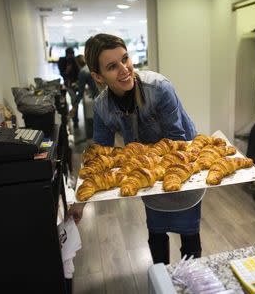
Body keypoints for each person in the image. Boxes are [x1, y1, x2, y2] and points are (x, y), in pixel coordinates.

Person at [68, 33, 204, 264]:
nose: (124, 69)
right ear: (97, 76)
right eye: (112, 66)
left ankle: (190, 280)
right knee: (156, 230)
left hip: (182, 163)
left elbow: (176, 141)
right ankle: (162, 281)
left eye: (125, 58)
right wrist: (81, 202)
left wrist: (150, 167)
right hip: (149, 172)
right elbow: (101, 155)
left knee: (189, 231)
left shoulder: (159, 88)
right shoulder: (102, 107)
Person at [68, 55, 100, 121]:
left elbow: (80, 93)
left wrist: (74, 107)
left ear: (77, 63)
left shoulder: (82, 72)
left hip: (98, 97)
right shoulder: (91, 67)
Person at [58, 47, 80, 127]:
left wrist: (75, 83)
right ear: (66, 55)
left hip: (73, 85)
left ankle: (75, 121)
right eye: (69, 55)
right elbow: (61, 73)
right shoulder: (62, 60)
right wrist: (67, 70)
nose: (71, 57)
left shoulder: (75, 61)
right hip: (65, 84)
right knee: (62, 102)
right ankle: (65, 120)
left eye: (72, 55)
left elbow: (78, 73)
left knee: (74, 102)